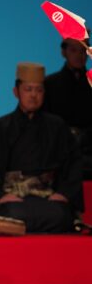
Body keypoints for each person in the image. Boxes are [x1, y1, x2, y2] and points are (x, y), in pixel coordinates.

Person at [0, 62, 84, 233]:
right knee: (11, 214)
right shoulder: (2, 127)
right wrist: (0, 196)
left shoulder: (57, 126)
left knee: (61, 215)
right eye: (28, 90)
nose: (33, 95)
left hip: (48, 197)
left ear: (44, 93)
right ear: (16, 92)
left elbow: (74, 163)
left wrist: (64, 194)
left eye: (38, 90)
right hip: (13, 198)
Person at [43, 38, 92, 179]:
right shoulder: (49, 84)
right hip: (59, 153)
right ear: (63, 52)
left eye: (83, 51)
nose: (79, 55)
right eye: (73, 50)